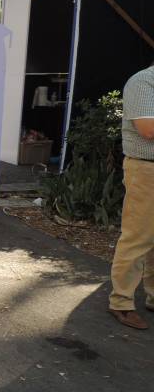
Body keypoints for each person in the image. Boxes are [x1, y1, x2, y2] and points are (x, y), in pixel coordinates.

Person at [108, 61, 154, 330]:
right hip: (146, 170)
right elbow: (148, 129)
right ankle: (121, 302)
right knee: (139, 236)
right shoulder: (143, 82)